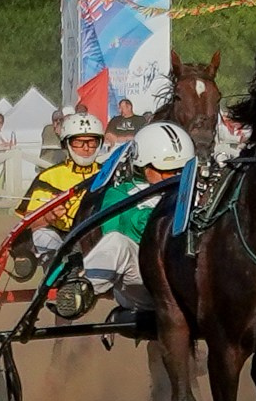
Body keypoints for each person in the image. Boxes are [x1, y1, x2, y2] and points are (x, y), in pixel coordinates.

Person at [63, 121, 196, 317]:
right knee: (117, 242)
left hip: (189, 282)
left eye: (182, 170)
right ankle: (80, 290)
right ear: (143, 165)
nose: (176, 177)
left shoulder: (196, 192)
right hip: (143, 281)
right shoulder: (120, 194)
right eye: (167, 170)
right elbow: (123, 226)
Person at [8, 111, 108, 280]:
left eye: (92, 142)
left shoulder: (108, 174)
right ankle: (65, 276)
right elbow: (27, 223)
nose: (85, 148)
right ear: (66, 144)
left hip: (97, 240)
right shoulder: (49, 177)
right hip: (59, 239)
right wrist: (48, 217)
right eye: (79, 142)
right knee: (42, 236)